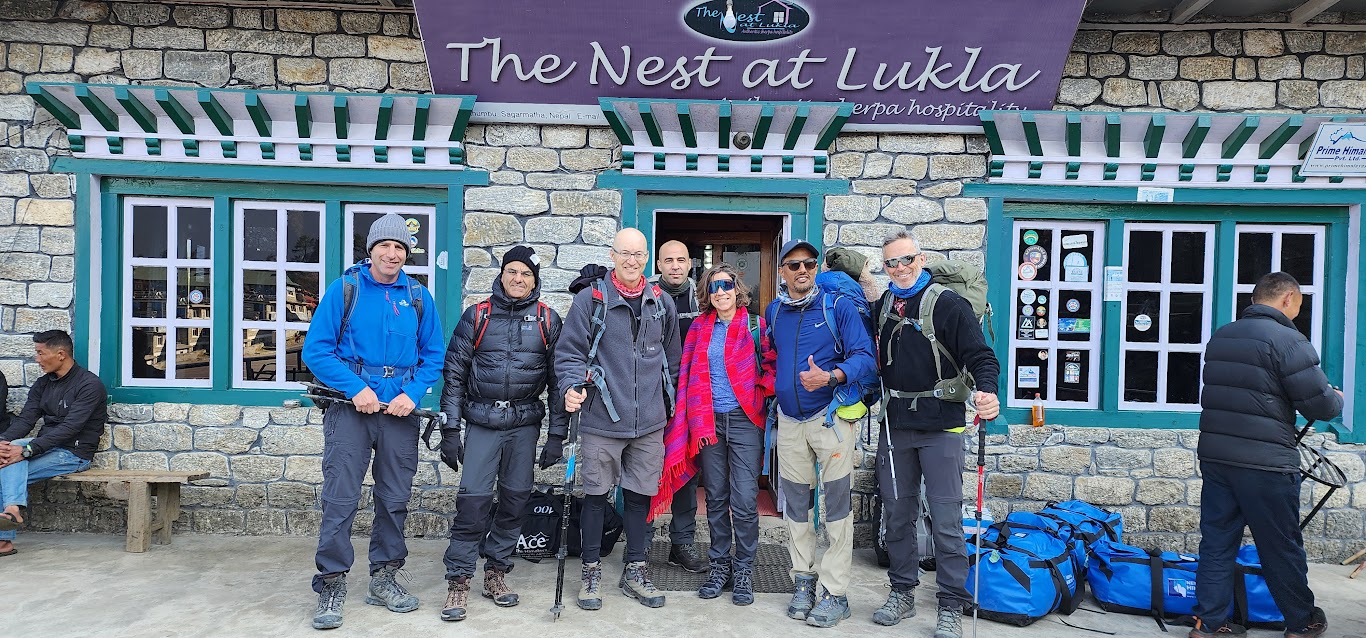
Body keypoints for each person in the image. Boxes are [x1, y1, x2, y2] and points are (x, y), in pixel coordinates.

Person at [301, 213, 444, 630]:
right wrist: (354, 389)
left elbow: (432, 354)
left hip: (400, 413)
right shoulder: (345, 289)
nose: (392, 254)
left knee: (394, 497)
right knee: (340, 497)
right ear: (372, 250)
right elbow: (317, 351)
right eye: (385, 246)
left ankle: (384, 576)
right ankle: (331, 580)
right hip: (351, 412)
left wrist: (411, 394)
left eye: (400, 248)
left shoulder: (418, 296)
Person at [1190, 272, 1341, 638]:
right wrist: (1335, 396)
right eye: (1299, 306)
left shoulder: (1222, 336)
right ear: (1288, 298)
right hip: (1266, 463)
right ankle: (1301, 622)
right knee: (1281, 545)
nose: (1298, 313)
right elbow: (1320, 405)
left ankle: (1208, 624)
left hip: (1217, 457)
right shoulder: (1288, 340)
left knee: (1216, 542)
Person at [870, 230, 1000, 638]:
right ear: (885, 266)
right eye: (891, 262)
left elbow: (981, 355)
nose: (901, 268)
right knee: (897, 516)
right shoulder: (883, 306)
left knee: (945, 521)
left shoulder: (949, 305)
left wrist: (988, 392)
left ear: (921, 259)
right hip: (895, 426)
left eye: (907, 260)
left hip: (942, 426)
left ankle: (950, 605)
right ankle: (902, 592)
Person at [437, 246, 567, 621]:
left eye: (525, 274)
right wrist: (450, 427)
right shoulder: (476, 316)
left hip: (524, 427)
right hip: (482, 423)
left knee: (514, 502)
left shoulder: (547, 320)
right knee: (473, 503)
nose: (518, 279)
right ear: (501, 274)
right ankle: (459, 579)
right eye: (512, 271)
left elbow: (559, 382)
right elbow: (454, 375)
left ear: (535, 280)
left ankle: (497, 571)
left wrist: (556, 435)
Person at [556, 228, 681, 611]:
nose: (632, 260)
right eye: (624, 253)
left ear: (647, 259)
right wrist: (570, 386)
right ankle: (591, 571)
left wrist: (666, 405)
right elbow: (568, 354)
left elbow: (671, 358)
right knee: (595, 497)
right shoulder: (589, 300)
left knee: (640, 497)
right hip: (601, 418)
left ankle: (636, 569)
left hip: (648, 423)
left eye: (639, 254)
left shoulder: (661, 302)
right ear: (612, 255)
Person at [765, 239, 877, 628]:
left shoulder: (838, 307)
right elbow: (772, 355)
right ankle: (803, 581)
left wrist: (831, 376)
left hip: (830, 421)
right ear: (782, 272)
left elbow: (865, 357)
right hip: (791, 422)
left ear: (816, 268)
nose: (802, 270)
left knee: (837, 510)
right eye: (793, 265)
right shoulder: (774, 310)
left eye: (809, 264)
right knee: (797, 508)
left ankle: (835, 593)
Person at [653, 262, 774, 605]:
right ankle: (720, 565)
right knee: (717, 497)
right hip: (708, 423)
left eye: (726, 285)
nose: (720, 292)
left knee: (746, 498)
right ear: (706, 293)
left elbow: (771, 367)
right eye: (713, 286)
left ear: (737, 289)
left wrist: (759, 396)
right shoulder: (698, 329)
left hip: (745, 420)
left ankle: (744, 568)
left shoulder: (756, 326)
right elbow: (686, 375)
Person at [0, 331, 106, 556]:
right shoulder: (42, 384)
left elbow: (70, 429)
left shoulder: (89, 384)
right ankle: (10, 516)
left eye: (40, 353)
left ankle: (5, 535)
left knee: (7, 466)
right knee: (7, 455)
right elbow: (26, 419)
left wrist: (27, 450)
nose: (36, 359)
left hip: (73, 452)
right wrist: (3, 443)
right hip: (45, 444)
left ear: (60, 354)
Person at [651, 239, 706, 573]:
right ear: (658, 265)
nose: (674, 266)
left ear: (690, 264)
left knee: (686, 472)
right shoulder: (646, 296)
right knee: (644, 471)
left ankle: (681, 543)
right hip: (649, 399)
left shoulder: (703, 298)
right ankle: (640, 544)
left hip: (691, 400)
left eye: (680, 260)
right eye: (668, 260)